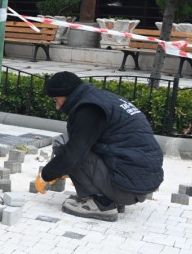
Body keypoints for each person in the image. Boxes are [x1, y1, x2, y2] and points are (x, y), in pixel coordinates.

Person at [38, 72, 164, 222]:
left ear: (68, 94)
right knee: (79, 146)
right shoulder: (103, 99)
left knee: (65, 146)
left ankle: (102, 204)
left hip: (127, 187)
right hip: (138, 183)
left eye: (56, 99)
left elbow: (73, 155)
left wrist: (46, 175)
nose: (57, 106)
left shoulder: (89, 109)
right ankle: (113, 199)